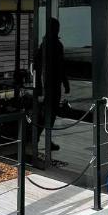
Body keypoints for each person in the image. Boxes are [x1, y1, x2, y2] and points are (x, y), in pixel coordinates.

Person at [34, 17, 70, 153]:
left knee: (47, 113)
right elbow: (61, 66)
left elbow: (38, 64)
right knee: (50, 113)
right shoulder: (56, 45)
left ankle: (38, 138)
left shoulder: (44, 44)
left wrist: (38, 83)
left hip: (46, 83)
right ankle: (41, 139)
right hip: (53, 84)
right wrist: (65, 83)